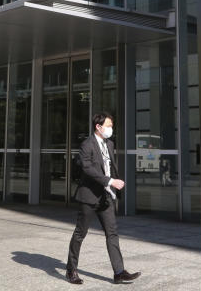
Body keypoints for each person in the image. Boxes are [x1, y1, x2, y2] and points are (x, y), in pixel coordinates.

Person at [65, 112, 141, 285]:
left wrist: (113, 185)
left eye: (111, 126)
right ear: (98, 127)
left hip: (106, 196)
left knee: (112, 233)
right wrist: (110, 181)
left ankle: (119, 272)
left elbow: (109, 167)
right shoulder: (87, 144)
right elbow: (88, 168)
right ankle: (71, 270)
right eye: (108, 126)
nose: (111, 129)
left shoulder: (110, 144)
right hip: (89, 196)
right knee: (80, 233)